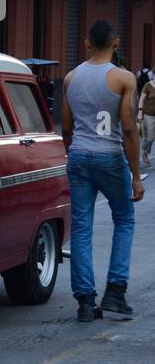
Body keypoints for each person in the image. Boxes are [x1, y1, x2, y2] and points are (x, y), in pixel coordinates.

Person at [62, 20, 145, 322]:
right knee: (123, 219)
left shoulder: (71, 78)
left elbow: (67, 128)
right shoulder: (124, 79)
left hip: (79, 155)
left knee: (82, 228)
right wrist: (135, 175)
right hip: (109, 156)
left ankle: (85, 302)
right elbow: (128, 130)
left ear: (86, 44)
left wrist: (72, 155)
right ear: (116, 43)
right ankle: (115, 291)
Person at [140, 70, 155, 167]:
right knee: (149, 138)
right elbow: (142, 99)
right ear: (153, 75)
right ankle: (144, 152)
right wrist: (140, 112)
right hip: (149, 114)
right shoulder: (148, 85)